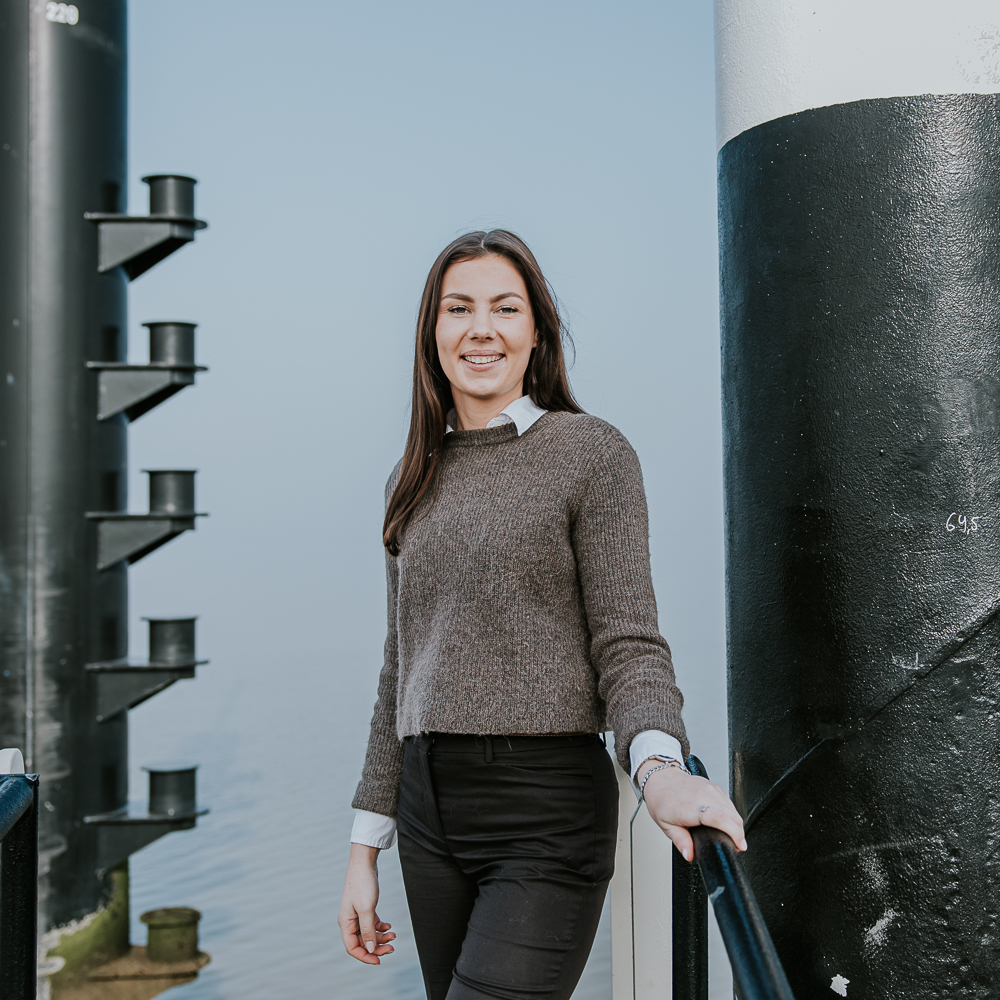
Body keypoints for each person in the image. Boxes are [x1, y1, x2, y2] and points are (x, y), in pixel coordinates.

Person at [338, 230, 746, 1000]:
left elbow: (629, 643)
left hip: (544, 811)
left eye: (505, 307)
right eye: (458, 308)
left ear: (537, 332)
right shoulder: (411, 476)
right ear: (433, 333)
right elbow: (400, 671)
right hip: (427, 812)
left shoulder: (591, 452)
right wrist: (365, 847)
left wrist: (657, 765)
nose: (481, 329)